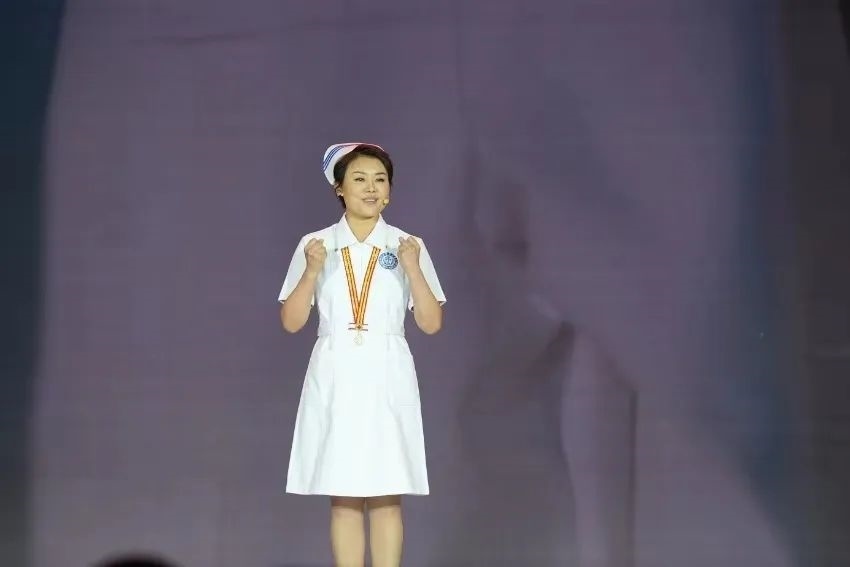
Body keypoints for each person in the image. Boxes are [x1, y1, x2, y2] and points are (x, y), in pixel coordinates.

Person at [277, 143, 446, 567]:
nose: (371, 188)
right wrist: (311, 272)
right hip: (336, 372)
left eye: (380, 180)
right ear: (339, 189)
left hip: (387, 372)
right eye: (359, 179)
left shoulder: (408, 245)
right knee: (344, 495)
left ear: (389, 191)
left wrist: (412, 269)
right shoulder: (315, 244)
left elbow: (431, 323)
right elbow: (292, 322)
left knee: (387, 494)